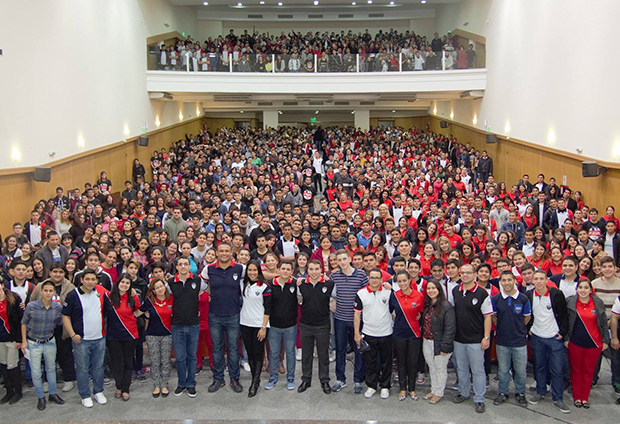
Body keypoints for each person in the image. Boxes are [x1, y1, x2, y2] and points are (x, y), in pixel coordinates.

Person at [62, 269, 111, 408]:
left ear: (96, 281)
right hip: (81, 340)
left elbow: (107, 310)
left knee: (99, 367)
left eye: (93, 279)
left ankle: (98, 391)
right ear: (81, 280)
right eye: (87, 279)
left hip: (99, 338)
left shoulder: (100, 293)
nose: (90, 282)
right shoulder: (73, 295)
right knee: (82, 369)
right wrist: (72, 334)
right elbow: (65, 316)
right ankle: (85, 395)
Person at [201, 242, 245, 393]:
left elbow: (256, 274)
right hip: (215, 316)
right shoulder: (209, 269)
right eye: (221, 251)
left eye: (227, 251)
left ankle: (234, 379)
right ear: (217, 253)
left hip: (233, 315)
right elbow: (201, 284)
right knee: (217, 349)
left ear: (231, 252)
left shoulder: (240, 268)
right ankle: (218, 379)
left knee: (233, 349)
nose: (224, 253)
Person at [526, 269, 570, 414]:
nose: (538, 281)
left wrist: (562, 332)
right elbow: (527, 315)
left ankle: (558, 398)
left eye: (541, 278)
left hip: (554, 338)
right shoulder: (529, 295)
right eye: (536, 279)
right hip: (537, 337)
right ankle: (540, 392)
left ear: (546, 280)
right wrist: (529, 329)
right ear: (532, 281)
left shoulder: (556, 294)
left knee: (557, 369)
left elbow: (564, 315)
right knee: (539, 366)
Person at [451, 263, 492, 414]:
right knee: (461, 368)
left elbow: (488, 317)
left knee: (478, 371)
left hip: (476, 340)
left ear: (475, 275)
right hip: (459, 339)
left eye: (468, 273)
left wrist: (486, 337)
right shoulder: (456, 291)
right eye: (462, 273)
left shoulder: (482, 293)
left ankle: (479, 398)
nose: (465, 275)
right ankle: (464, 392)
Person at [29, 263, 77, 393]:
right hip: (44, 328)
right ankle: (47, 381)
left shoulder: (70, 287)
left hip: (63, 327)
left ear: (64, 273)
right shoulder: (40, 286)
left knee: (65, 353)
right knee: (46, 355)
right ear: (50, 272)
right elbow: (32, 302)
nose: (57, 274)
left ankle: (69, 379)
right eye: (55, 271)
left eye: (61, 272)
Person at [21, 280, 65, 410]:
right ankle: (40, 397)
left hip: (49, 341)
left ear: (54, 292)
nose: (48, 293)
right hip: (33, 342)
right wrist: (24, 341)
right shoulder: (31, 306)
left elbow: (60, 322)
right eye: (45, 290)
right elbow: (24, 323)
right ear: (41, 291)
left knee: (51, 369)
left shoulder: (57, 307)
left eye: (50, 291)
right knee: (36, 372)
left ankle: (53, 393)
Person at [565, 280, 609, 408]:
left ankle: (585, 397)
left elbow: (603, 323)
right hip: (576, 343)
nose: (583, 290)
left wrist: (605, 340)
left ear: (590, 290)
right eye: (580, 287)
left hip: (594, 343)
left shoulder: (597, 302)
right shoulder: (570, 302)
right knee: (576, 370)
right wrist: (567, 339)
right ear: (576, 289)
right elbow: (566, 322)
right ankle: (577, 397)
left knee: (588, 371)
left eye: (586, 287)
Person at [330, 249, 368, 394]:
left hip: (357, 320)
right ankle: (340, 379)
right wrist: (331, 301)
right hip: (340, 319)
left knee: (358, 350)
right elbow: (329, 292)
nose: (342, 262)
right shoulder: (334, 276)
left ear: (349, 258)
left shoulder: (361, 275)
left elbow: (367, 293)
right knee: (340, 350)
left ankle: (358, 380)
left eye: (344, 259)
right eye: (339, 260)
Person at [491, 271, 531, 407]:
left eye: (509, 280)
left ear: (514, 281)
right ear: (500, 282)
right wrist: (502, 328)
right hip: (502, 340)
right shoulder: (496, 299)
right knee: (503, 369)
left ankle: (520, 393)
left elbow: (527, 317)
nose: (507, 283)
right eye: (504, 280)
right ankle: (503, 392)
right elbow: (494, 317)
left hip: (519, 341)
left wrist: (518, 329)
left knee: (520, 370)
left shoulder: (523, 299)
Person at [353, 268, 393, 399]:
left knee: (386, 362)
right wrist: (357, 333)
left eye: (377, 278)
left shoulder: (388, 292)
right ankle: (371, 386)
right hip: (368, 333)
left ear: (381, 279)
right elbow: (357, 314)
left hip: (386, 333)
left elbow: (394, 310)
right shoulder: (361, 293)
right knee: (370, 362)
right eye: (372, 277)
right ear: (368, 279)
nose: (374, 280)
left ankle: (385, 386)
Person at [297, 259, 335, 394]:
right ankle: (306, 380)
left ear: (321, 270)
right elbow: (299, 300)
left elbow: (334, 301)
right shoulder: (301, 284)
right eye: (311, 269)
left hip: (323, 326)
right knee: (306, 355)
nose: (314, 272)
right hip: (305, 325)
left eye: (317, 269)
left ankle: (324, 381)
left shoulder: (329, 284)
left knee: (323, 355)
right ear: (307, 270)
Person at [167, 256, 203, 398]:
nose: (183, 266)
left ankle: (191, 383)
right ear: (176, 267)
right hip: (177, 325)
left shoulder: (197, 280)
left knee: (192, 357)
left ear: (189, 266)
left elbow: (206, 290)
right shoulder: (171, 283)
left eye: (185, 264)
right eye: (180, 264)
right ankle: (181, 383)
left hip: (194, 324)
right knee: (180, 357)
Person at [390, 270, 425, 401]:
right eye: (399, 281)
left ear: (410, 280)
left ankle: (412, 388)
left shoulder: (419, 295)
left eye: (404, 280)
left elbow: (421, 313)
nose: (402, 283)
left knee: (412, 362)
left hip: (414, 334)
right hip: (399, 334)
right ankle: (402, 388)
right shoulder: (394, 295)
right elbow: (390, 311)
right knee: (401, 362)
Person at [106, 273, 141, 401]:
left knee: (128, 363)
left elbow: (138, 311)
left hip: (130, 334)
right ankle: (118, 386)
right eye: (122, 282)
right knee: (116, 363)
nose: (124, 285)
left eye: (127, 283)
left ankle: (126, 388)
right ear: (118, 283)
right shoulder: (109, 297)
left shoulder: (133, 298)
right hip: (113, 336)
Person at [421, 279, 455, 404]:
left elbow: (450, 328)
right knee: (432, 367)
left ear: (439, 290)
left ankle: (439, 392)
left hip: (440, 343)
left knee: (440, 368)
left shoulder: (446, 306)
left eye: (433, 288)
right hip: (427, 341)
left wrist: (445, 346)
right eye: (429, 288)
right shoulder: (428, 304)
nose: (431, 291)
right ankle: (434, 389)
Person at [240, 261, 271, 397]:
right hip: (245, 323)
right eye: (250, 270)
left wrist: (263, 327)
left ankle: (254, 382)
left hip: (259, 325)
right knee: (250, 353)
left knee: (258, 354)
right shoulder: (243, 284)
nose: (252, 273)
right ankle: (255, 378)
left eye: (254, 270)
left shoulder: (264, 287)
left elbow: (268, 309)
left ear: (259, 271)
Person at [266, 260, 298, 390]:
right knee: (273, 353)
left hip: (290, 326)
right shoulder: (270, 285)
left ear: (292, 272)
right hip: (274, 326)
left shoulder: (295, 284)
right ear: (278, 269)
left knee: (290, 352)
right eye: (283, 268)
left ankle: (290, 377)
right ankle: (273, 377)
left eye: (288, 269)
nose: (285, 271)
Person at [140, 277, 173, 398]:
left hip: (167, 334)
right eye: (157, 288)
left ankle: (164, 384)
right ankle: (156, 385)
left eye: (161, 286)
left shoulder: (171, 299)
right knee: (155, 361)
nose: (160, 289)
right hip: (152, 335)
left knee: (165, 360)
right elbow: (138, 312)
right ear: (153, 290)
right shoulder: (149, 301)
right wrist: (146, 316)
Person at [0, 278, 23, 405]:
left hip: (12, 338)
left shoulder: (13, 299)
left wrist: (19, 339)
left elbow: (20, 320)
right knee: (3, 365)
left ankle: (18, 392)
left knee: (12, 365)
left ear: (2, 285)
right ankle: (9, 391)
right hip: (0, 340)